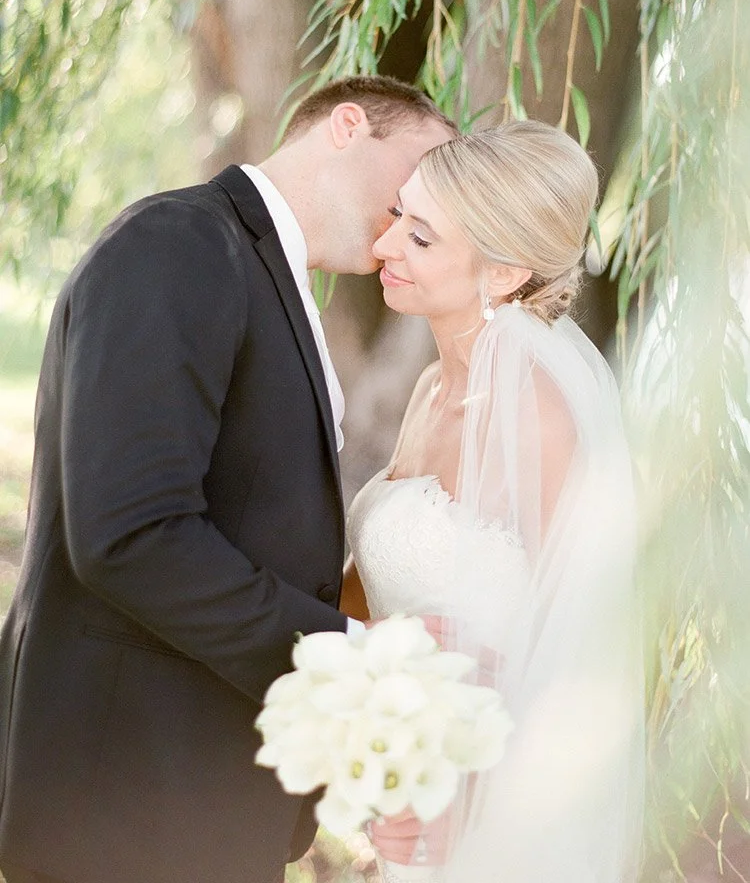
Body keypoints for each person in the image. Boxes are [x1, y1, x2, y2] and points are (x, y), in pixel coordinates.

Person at [0, 76, 455, 883]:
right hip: (119, 800)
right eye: (417, 173)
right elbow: (131, 534)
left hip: (192, 797)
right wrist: (351, 655)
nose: (421, 204)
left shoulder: (259, 271)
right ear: (348, 125)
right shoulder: (178, 243)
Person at [342, 120, 645, 882]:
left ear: (505, 273)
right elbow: (373, 597)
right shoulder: (429, 388)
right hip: (413, 780)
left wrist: (468, 797)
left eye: (420, 237)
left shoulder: (541, 415)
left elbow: (583, 654)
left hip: (490, 815)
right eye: (397, 217)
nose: (384, 245)